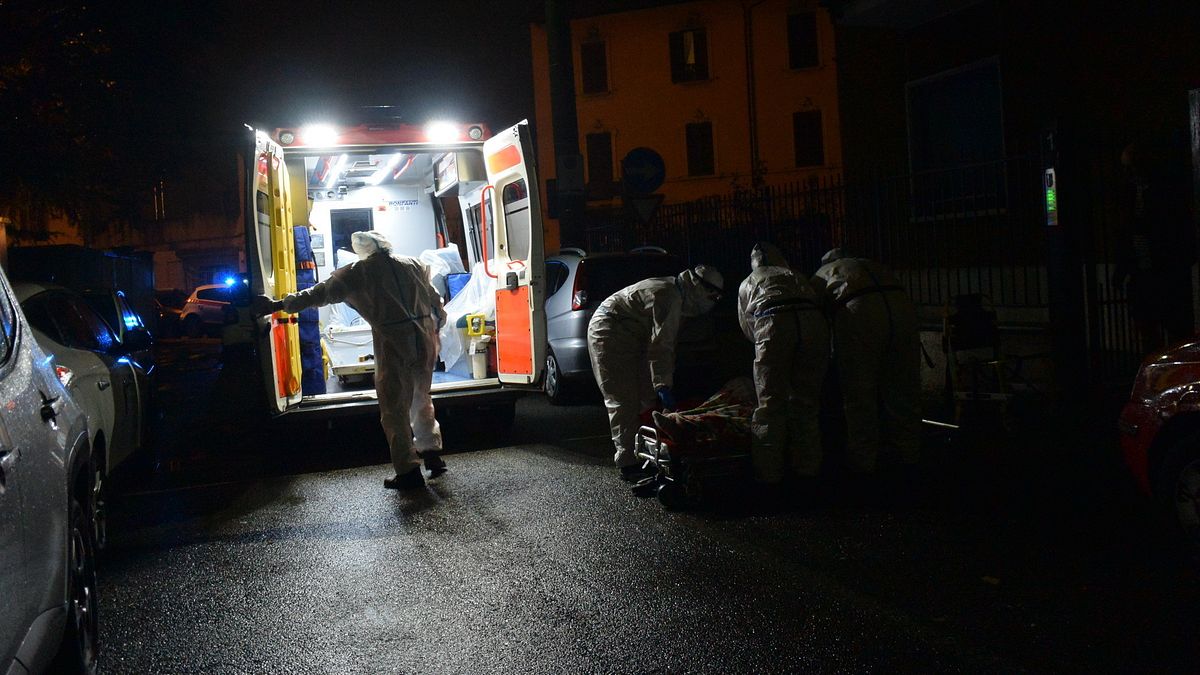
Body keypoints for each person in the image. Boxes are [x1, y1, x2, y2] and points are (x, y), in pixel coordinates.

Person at [255, 230, 447, 490]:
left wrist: (279, 304)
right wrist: (437, 323)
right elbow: (435, 299)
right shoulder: (412, 263)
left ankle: (408, 471)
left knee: (394, 408)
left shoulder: (360, 271)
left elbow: (318, 294)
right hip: (424, 338)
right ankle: (432, 454)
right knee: (421, 397)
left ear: (362, 249)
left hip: (394, 340)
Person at [587, 264, 724, 481]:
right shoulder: (669, 296)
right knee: (623, 398)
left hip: (629, 331)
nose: (712, 303)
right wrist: (662, 384)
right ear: (699, 288)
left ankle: (647, 454)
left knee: (645, 396)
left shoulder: (676, 293)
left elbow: (660, 345)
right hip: (609, 330)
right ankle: (627, 462)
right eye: (712, 297)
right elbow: (662, 346)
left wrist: (658, 384)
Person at [811, 248, 920, 476]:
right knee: (902, 385)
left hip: (860, 312)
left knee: (859, 389)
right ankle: (910, 452)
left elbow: (815, 314)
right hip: (902, 309)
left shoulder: (824, 272)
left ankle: (863, 459)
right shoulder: (873, 264)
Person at [737, 243, 830, 486]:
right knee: (806, 402)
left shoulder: (749, 281)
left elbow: (748, 327)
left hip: (772, 323)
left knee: (770, 404)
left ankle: (769, 474)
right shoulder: (794, 274)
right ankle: (808, 468)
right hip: (813, 324)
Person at [1112, 140, 1194, 354]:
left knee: (1172, 329)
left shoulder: (1160, 192)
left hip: (1160, 270)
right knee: (1151, 329)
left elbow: (1165, 227)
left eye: (1131, 167)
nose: (1129, 172)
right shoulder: (1133, 193)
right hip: (1145, 271)